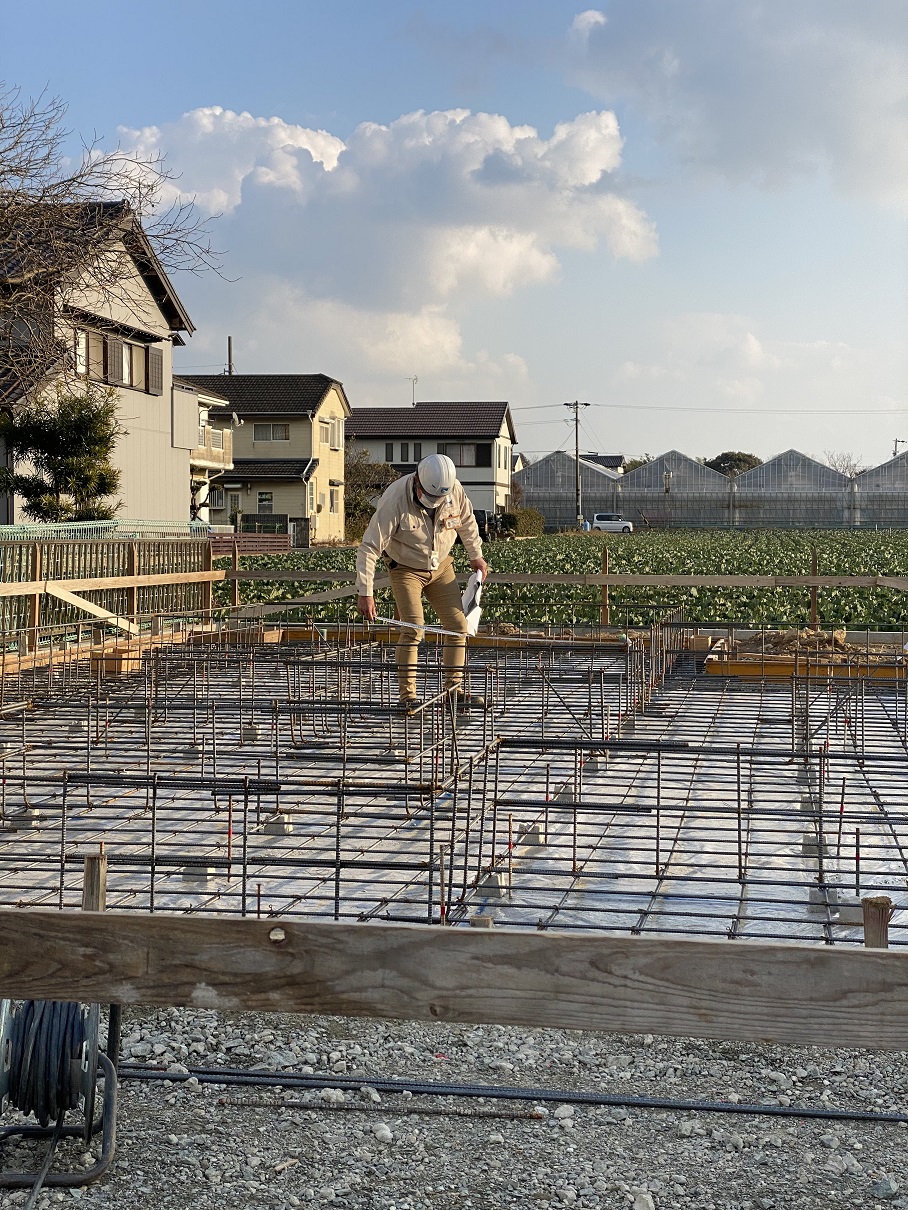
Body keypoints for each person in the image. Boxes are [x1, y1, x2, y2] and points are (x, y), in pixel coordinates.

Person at [356, 453, 489, 711]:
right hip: (405, 569)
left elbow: (468, 523)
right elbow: (369, 547)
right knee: (414, 628)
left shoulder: (454, 491)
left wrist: (477, 556)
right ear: (417, 481)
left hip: (440, 567)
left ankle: (453, 691)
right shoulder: (395, 500)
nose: (434, 503)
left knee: (457, 627)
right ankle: (408, 698)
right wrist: (366, 592)